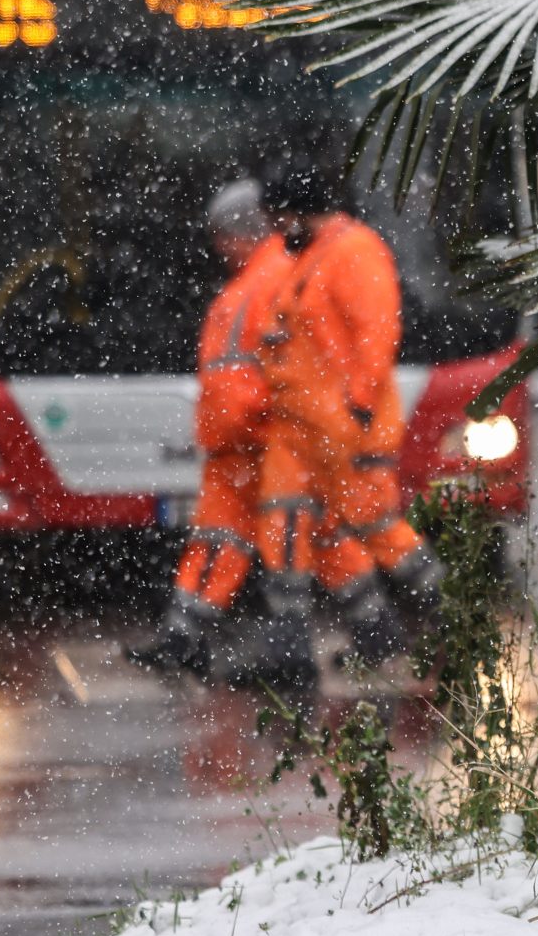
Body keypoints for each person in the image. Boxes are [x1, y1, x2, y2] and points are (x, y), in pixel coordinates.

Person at [235, 151, 437, 684]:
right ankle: (293, 652)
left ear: (299, 211)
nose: (273, 230)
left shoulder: (353, 252)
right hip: (299, 427)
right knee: (285, 526)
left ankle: (452, 618)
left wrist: (359, 406)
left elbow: (376, 334)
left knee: (376, 528)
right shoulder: (309, 255)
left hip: (342, 428)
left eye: (277, 218)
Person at [128, 177, 292, 677]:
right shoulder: (250, 284)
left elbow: (283, 362)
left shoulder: (274, 280)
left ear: (241, 233)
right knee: (217, 539)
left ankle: (302, 650)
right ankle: (183, 637)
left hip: (258, 440)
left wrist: (258, 419)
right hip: (235, 442)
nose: (218, 248)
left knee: (294, 539)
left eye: (222, 236)